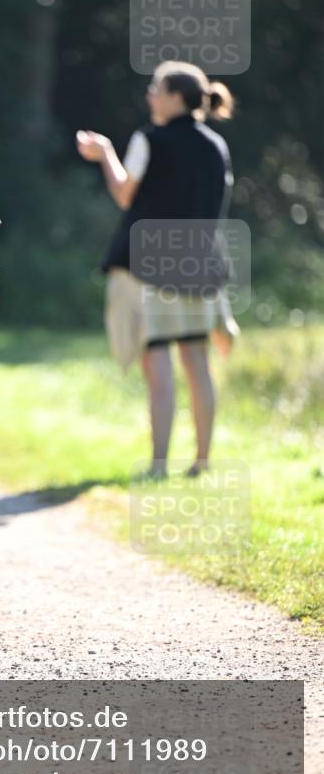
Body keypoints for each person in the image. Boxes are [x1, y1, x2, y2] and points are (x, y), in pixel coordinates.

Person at [76, 61, 239, 479]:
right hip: (200, 266)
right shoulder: (216, 145)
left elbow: (125, 194)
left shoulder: (149, 138)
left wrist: (105, 154)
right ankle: (202, 462)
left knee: (158, 365)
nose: (149, 96)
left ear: (174, 97)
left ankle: (159, 465)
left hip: (148, 268)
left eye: (155, 89)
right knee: (197, 364)